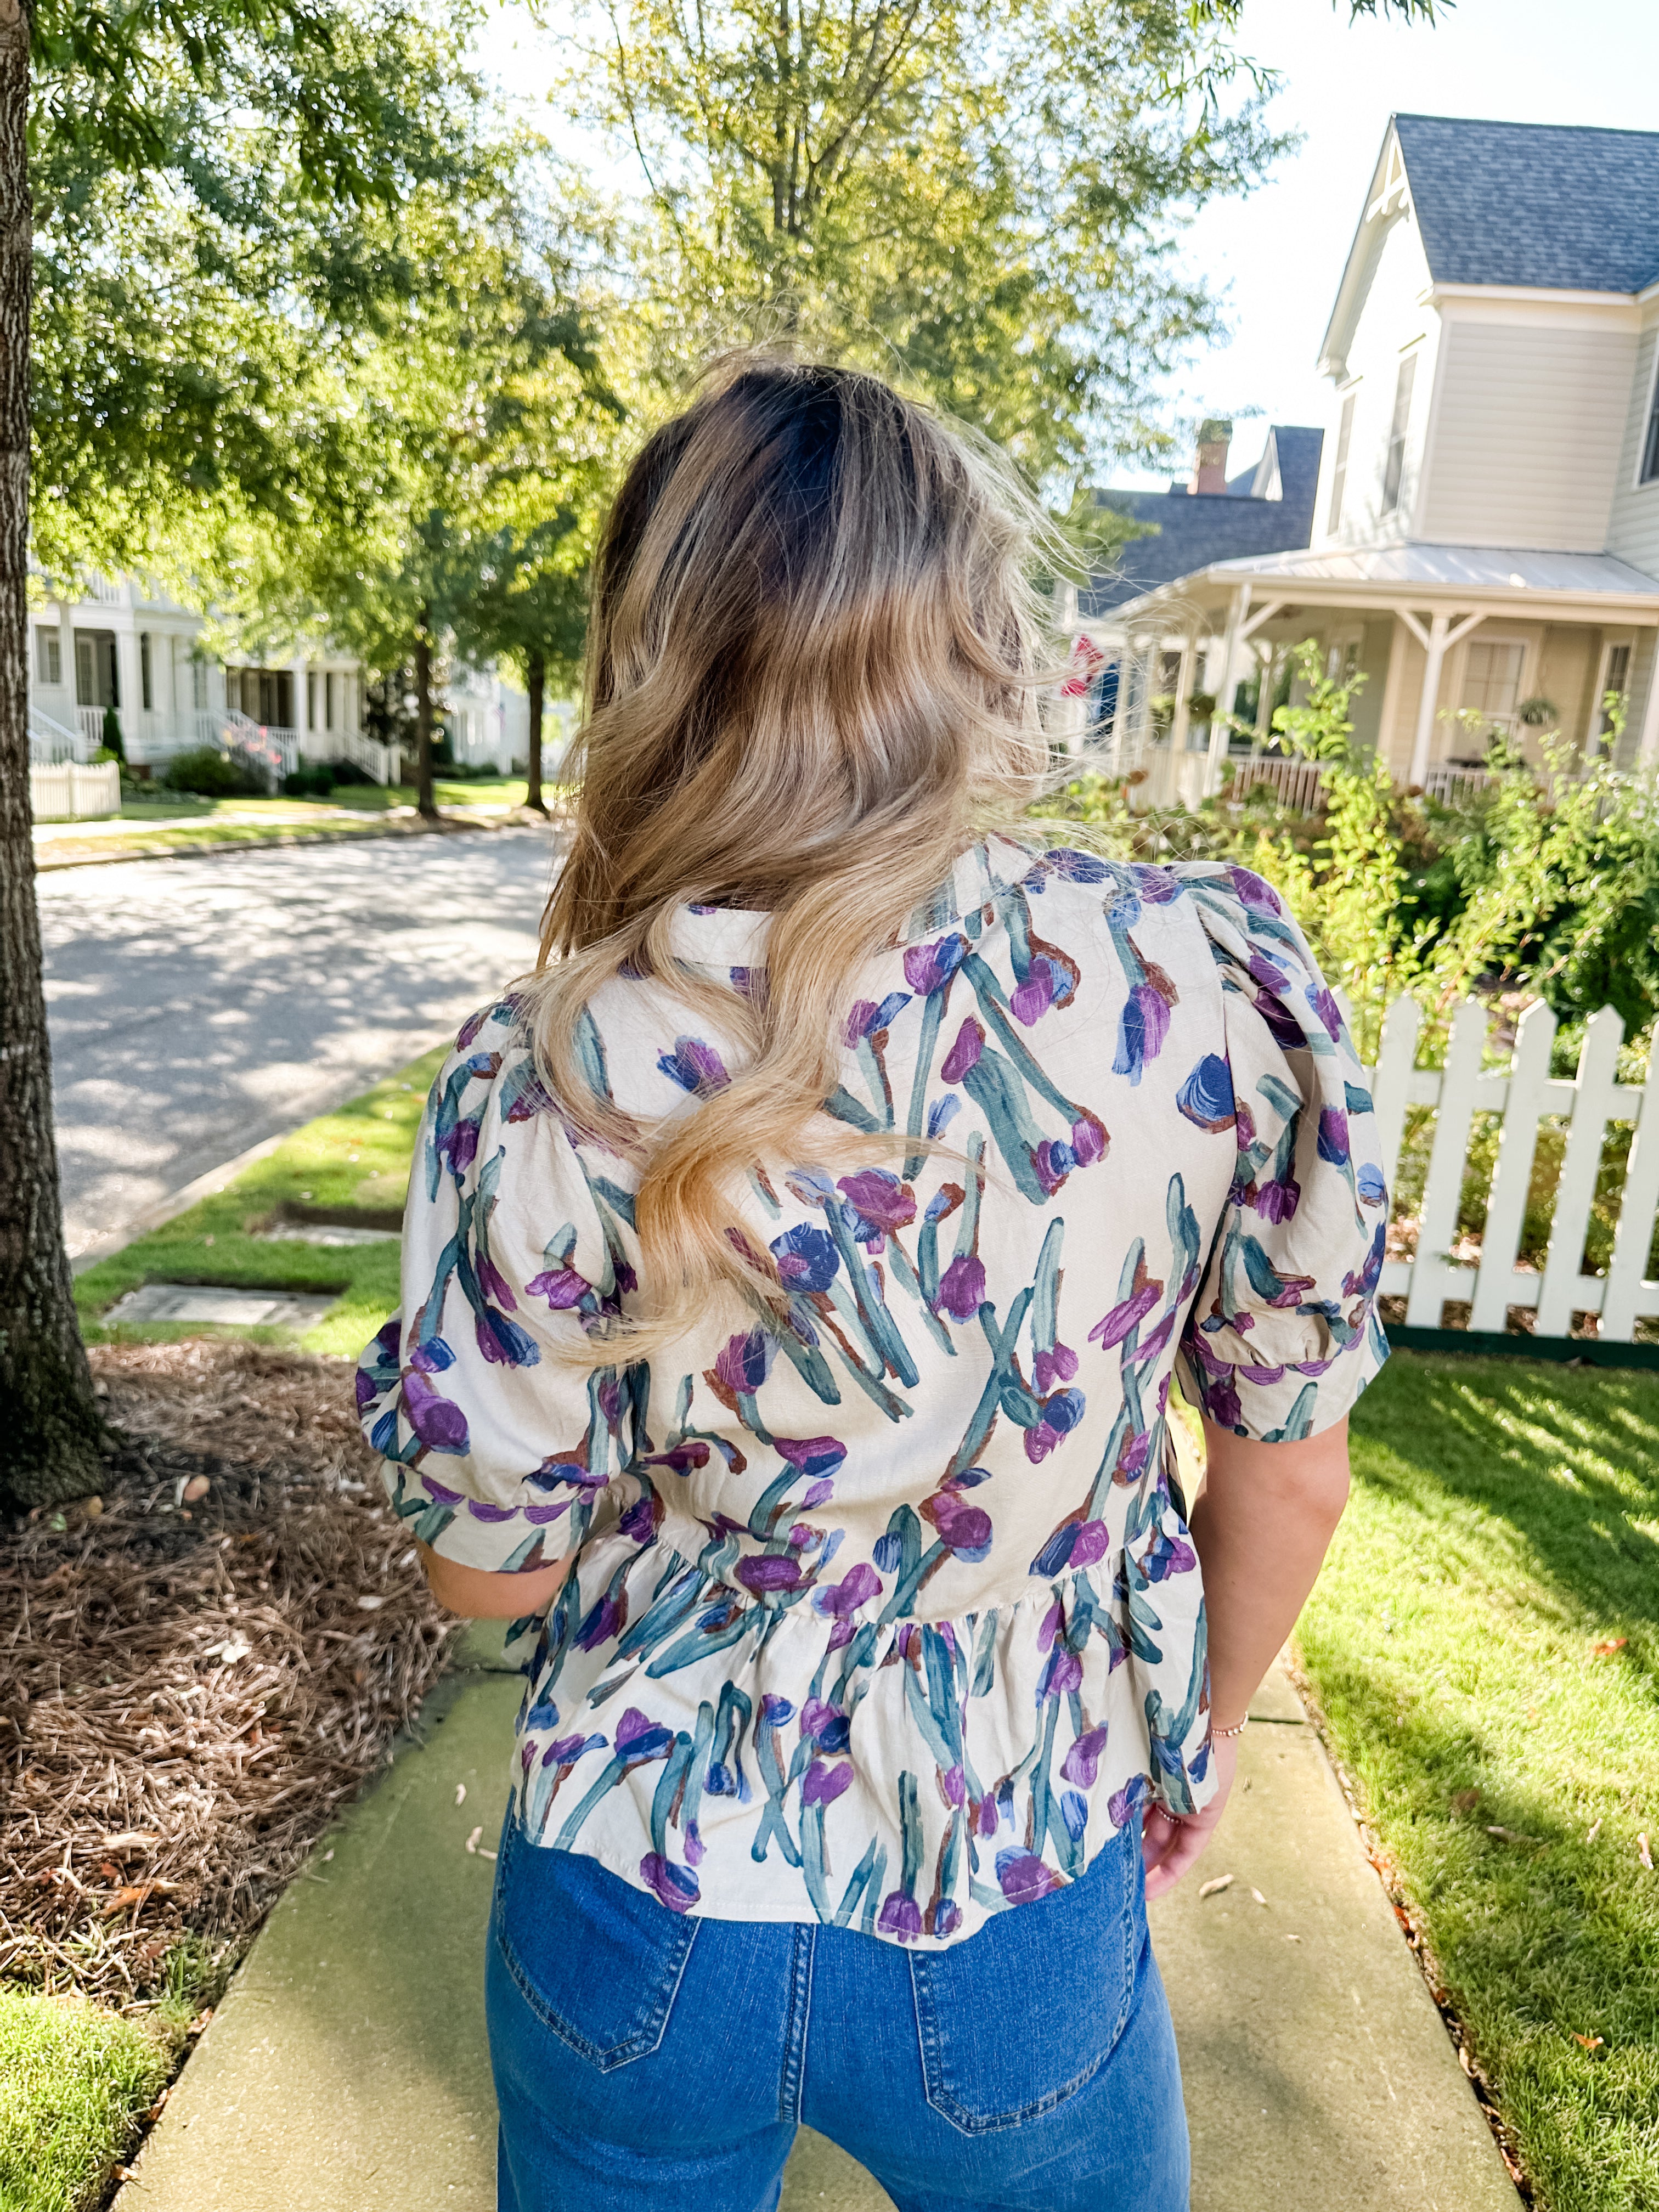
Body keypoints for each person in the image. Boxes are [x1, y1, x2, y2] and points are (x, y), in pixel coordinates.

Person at [358, 353, 1388, 2212]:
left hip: (636, 1894)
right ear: (982, 637)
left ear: (654, 661)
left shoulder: (555, 1065)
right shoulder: (1190, 992)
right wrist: (1202, 1729)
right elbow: (1289, 1466)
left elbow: (485, 1570)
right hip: (1014, 1899)